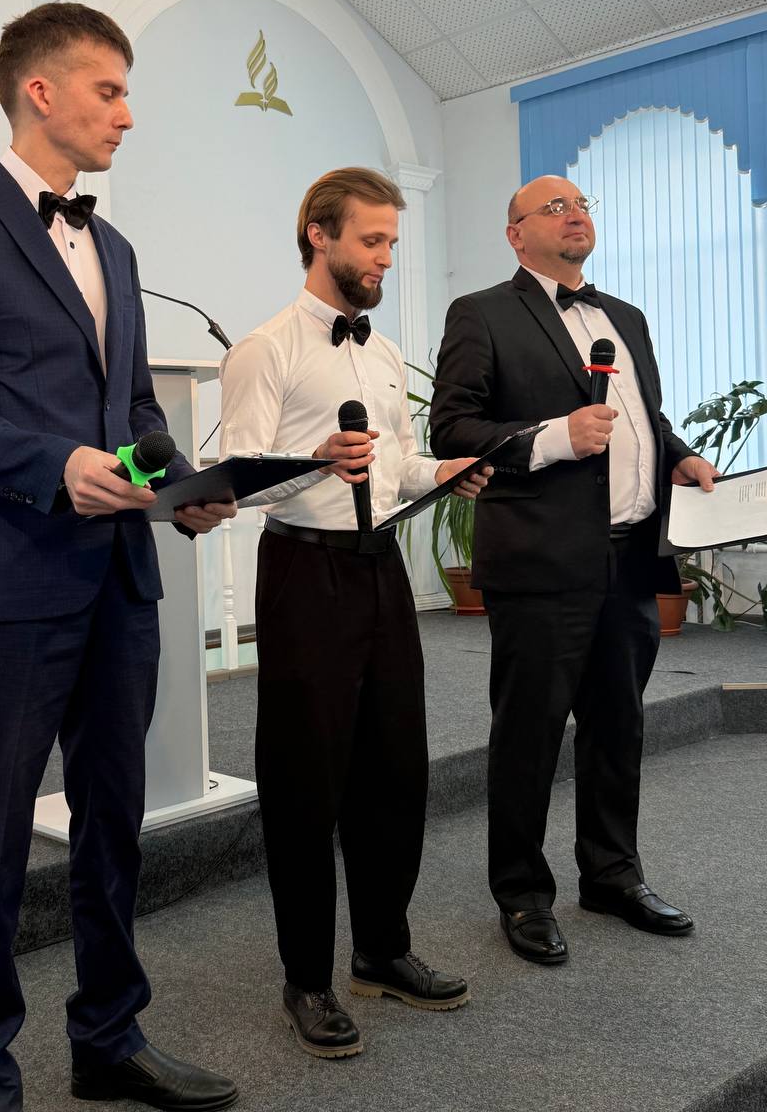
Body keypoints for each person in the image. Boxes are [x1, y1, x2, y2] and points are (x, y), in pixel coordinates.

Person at [0, 3, 239, 1112]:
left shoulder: (114, 247)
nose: (127, 114)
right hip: (9, 578)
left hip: (121, 577)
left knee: (113, 824)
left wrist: (180, 484)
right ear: (41, 91)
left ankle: (108, 1038)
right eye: (109, 90)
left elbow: (134, 408)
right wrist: (55, 465)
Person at [219, 167, 490, 1059]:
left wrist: (444, 472)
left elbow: (398, 464)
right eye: (372, 241)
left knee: (395, 768)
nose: (385, 258)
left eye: (392, 243)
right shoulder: (264, 348)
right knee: (306, 780)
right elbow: (240, 479)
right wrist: (315, 458)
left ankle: (382, 949)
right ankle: (307, 979)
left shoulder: (382, 352)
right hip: (303, 571)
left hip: (380, 571)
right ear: (319, 234)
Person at [429, 174, 719, 966]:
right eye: (555, 207)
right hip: (542, 560)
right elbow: (452, 428)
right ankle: (522, 894)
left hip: (630, 557)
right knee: (528, 734)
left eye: (583, 204)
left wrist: (680, 454)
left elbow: (644, 418)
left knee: (618, 725)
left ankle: (613, 874)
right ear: (516, 233)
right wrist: (556, 435)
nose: (575, 215)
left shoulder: (626, 316)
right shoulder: (481, 313)